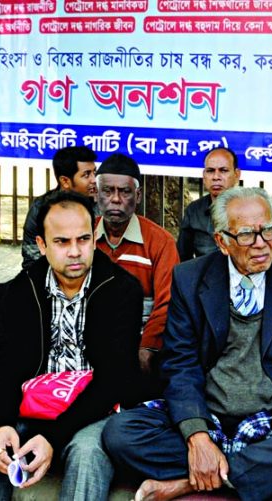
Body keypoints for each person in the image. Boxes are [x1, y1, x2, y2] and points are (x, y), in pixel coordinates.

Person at [103, 186, 272, 501]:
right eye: (246, 235)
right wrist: (197, 437)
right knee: (120, 433)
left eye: (268, 230)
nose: (262, 244)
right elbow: (179, 362)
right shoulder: (189, 278)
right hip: (208, 412)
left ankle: (190, 481)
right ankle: (265, 472)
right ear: (221, 242)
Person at [0, 190, 142, 501]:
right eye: (62, 242)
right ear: (42, 245)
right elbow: (5, 364)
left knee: (87, 450)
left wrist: (52, 437)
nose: (75, 251)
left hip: (96, 408)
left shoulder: (121, 289)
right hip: (35, 401)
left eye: (83, 239)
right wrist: (3, 424)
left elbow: (114, 380)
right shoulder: (22, 288)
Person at [94, 153, 179, 390]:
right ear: (96, 194)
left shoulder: (160, 242)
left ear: (138, 195)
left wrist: (148, 346)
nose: (116, 199)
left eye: (125, 192)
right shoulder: (83, 236)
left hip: (139, 338)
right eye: (107, 191)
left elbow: (167, 303)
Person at [21, 146, 97, 269]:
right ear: (65, 181)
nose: (94, 180)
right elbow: (32, 259)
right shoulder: (40, 209)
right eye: (86, 175)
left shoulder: (100, 207)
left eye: (94, 172)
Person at [177, 148, 241, 261]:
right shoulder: (194, 211)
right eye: (210, 171)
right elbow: (182, 257)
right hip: (205, 276)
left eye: (223, 170)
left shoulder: (250, 208)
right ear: (204, 176)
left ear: (237, 174)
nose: (216, 177)